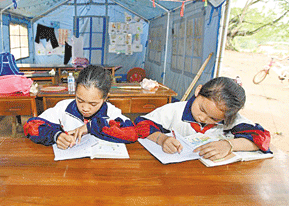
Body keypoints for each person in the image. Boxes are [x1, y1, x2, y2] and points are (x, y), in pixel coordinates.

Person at [134, 77, 271, 161]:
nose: (203, 118)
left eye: (213, 118)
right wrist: (162, 139)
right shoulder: (174, 111)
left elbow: (261, 137)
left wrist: (228, 145)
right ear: (198, 91)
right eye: (202, 109)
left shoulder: (231, 121)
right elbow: (141, 125)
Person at [24, 65, 138, 149]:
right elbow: (31, 126)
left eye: (93, 104)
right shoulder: (64, 108)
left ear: (105, 98)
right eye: (80, 100)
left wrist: (92, 126)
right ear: (75, 92)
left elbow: (131, 133)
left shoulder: (112, 112)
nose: (85, 108)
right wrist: (56, 135)